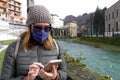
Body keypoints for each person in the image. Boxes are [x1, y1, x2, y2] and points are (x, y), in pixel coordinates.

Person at [0, 5, 68, 80]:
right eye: (37, 27)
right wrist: (27, 78)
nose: (42, 32)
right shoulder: (14, 48)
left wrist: (56, 76)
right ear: (29, 27)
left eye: (47, 28)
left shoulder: (56, 45)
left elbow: (64, 72)